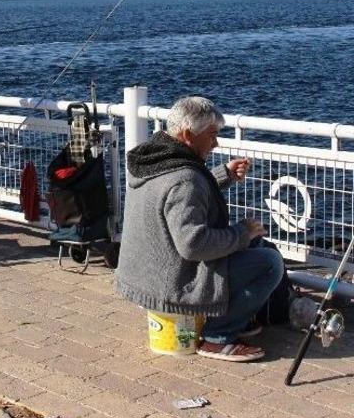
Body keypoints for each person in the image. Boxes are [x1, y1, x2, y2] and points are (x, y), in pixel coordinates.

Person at [115, 96, 284, 362]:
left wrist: (222, 175)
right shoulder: (185, 179)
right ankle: (218, 337)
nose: (215, 143)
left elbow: (180, 196)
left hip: (145, 274)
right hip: (170, 285)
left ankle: (236, 316)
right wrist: (242, 232)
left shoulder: (154, 158)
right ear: (187, 135)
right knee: (270, 262)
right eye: (212, 135)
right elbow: (193, 245)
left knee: (260, 248)